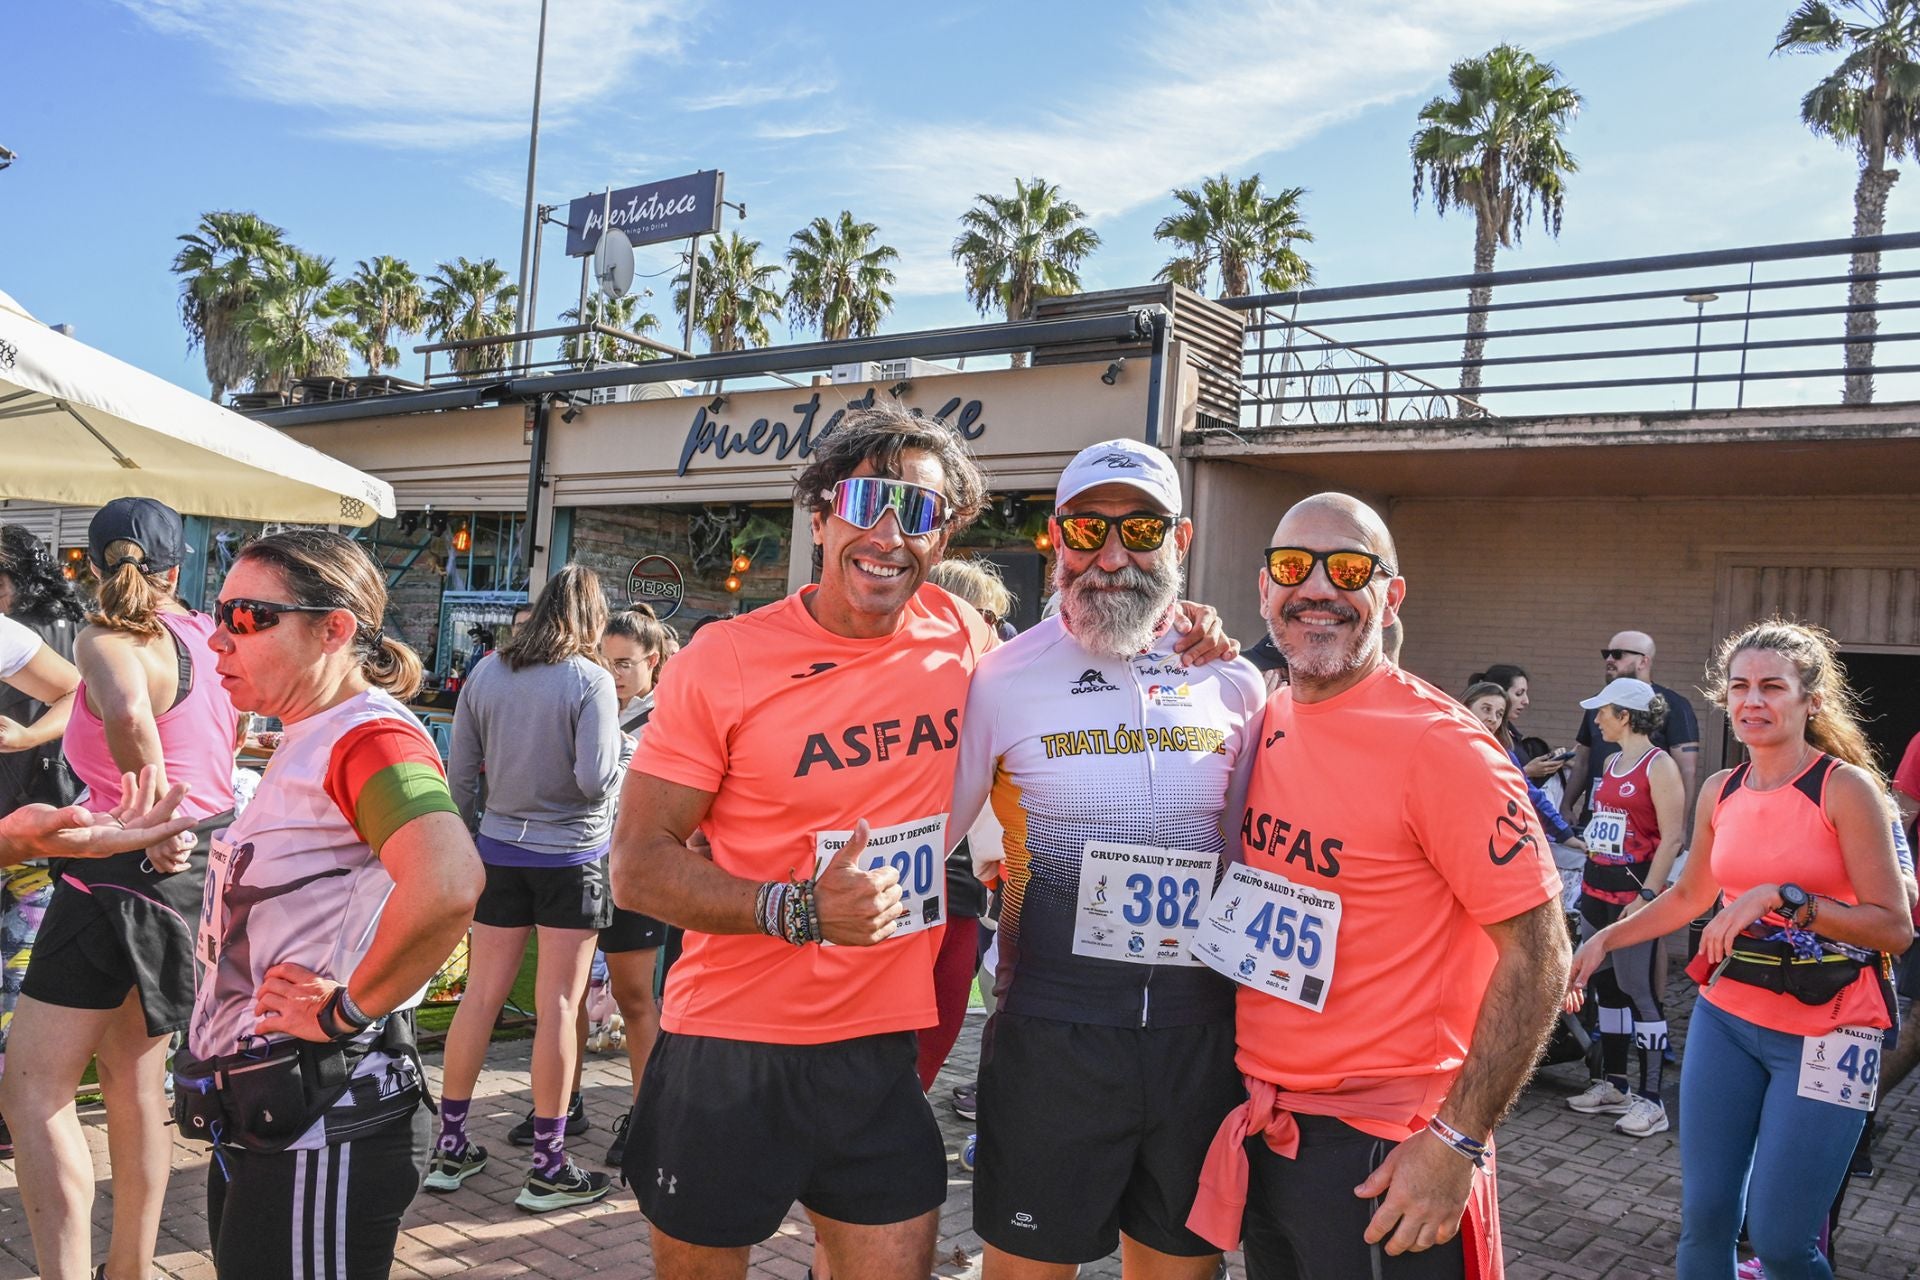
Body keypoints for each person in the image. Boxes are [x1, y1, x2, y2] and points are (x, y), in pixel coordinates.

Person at [611, 404, 1234, 1280]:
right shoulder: (725, 657)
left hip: (877, 1051)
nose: (891, 533)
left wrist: (1177, 621)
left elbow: (1089, 641)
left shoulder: (965, 642)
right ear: (821, 515)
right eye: (869, 500)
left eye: (923, 513)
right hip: (729, 1044)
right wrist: (795, 908)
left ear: (944, 540)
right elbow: (636, 866)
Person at [1185, 493, 1568, 1280]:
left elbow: (1540, 956)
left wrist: (1455, 1143)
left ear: (1390, 595)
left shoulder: (1443, 745)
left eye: (1349, 567)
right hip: (1273, 1128)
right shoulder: (1268, 716)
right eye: (1294, 567)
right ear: (1265, 592)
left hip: (1389, 1152)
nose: (1318, 587)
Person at [949, 439, 1265, 1280]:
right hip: (1052, 1031)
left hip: (1200, 1037)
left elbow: (1260, 852)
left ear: (1181, 541)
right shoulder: (1001, 678)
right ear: (1057, 538)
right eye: (1089, 529)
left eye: (1142, 528)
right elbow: (932, 828)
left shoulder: (1235, 684)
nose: (1113, 554)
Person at [1568, 619, 1911, 1280]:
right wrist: (1605, 938)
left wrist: (1781, 899)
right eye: (1741, 686)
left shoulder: (1844, 789)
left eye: (1772, 687)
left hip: (1831, 1029)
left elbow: (1893, 927)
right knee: (1705, 1225)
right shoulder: (1720, 788)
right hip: (1728, 1019)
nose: (1754, 700)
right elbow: (1691, 895)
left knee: (1783, 1242)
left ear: (1811, 700)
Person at [183, 529, 482, 1279]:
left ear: (335, 628)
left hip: (324, 1120)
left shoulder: (369, 737)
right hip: (273, 1114)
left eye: (247, 617)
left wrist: (348, 1008)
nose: (220, 639)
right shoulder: (308, 734)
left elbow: (448, 883)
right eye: (219, 612)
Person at [1, 498, 239, 1280]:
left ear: (93, 563)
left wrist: (155, 807)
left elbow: (133, 713)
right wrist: (177, 812)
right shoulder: (208, 634)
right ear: (177, 567)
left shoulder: (108, 637)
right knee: (136, 1088)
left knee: (33, 1092)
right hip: (190, 874)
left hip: (117, 871)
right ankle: (128, 1271)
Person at [432, 565, 624, 1211]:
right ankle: (548, 1165)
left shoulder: (488, 671)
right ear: (593, 619)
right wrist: (624, 747)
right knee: (560, 1007)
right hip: (571, 854)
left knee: (480, 995)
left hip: (497, 849)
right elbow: (596, 779)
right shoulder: (591, 680)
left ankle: (450, 1146)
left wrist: (466, 839)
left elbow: (458, 775)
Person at [1560, 677, 1685, 1138]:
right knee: (1607, 992)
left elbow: (1672, 837)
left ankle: (1652, 1101)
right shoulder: (1611, 762)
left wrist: (1648, 896)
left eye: (1604, 712)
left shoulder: (1660, 765)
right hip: (1597, 888)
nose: (1596, 720)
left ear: (1626, 715)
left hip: (1633, 897)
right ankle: (1613, 1083)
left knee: (1638, 990)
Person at [586, 605, 674, 1168]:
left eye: (624, 663)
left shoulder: (665, 720)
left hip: (633, 876)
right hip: (578, 869)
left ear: (653, 663)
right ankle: (561, 1106)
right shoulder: (586, 707)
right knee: (565, 1000)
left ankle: (645, 1115)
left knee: (636, 1000)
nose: (613, 674)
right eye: (603, 661)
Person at [1560, 632, 1701, 828]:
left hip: (1644, 826)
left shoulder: (1674, 705)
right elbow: (1583, 760)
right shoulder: (1600, 703)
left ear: (1643, 661)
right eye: (1606, 654)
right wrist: (1566, 806)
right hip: (1596, 821)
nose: (1609, 659)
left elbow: (1686, 770)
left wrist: (1679, 828)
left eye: (1618, 654)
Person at [1463, 680, 1578, 850]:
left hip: (1484, 841)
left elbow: (1531, 796)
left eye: (1500, 714)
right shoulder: (1439, 743)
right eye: (1486, 709)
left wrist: (1566, 835)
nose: (1492, 719)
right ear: (1465, 707)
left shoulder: (1504, 754)